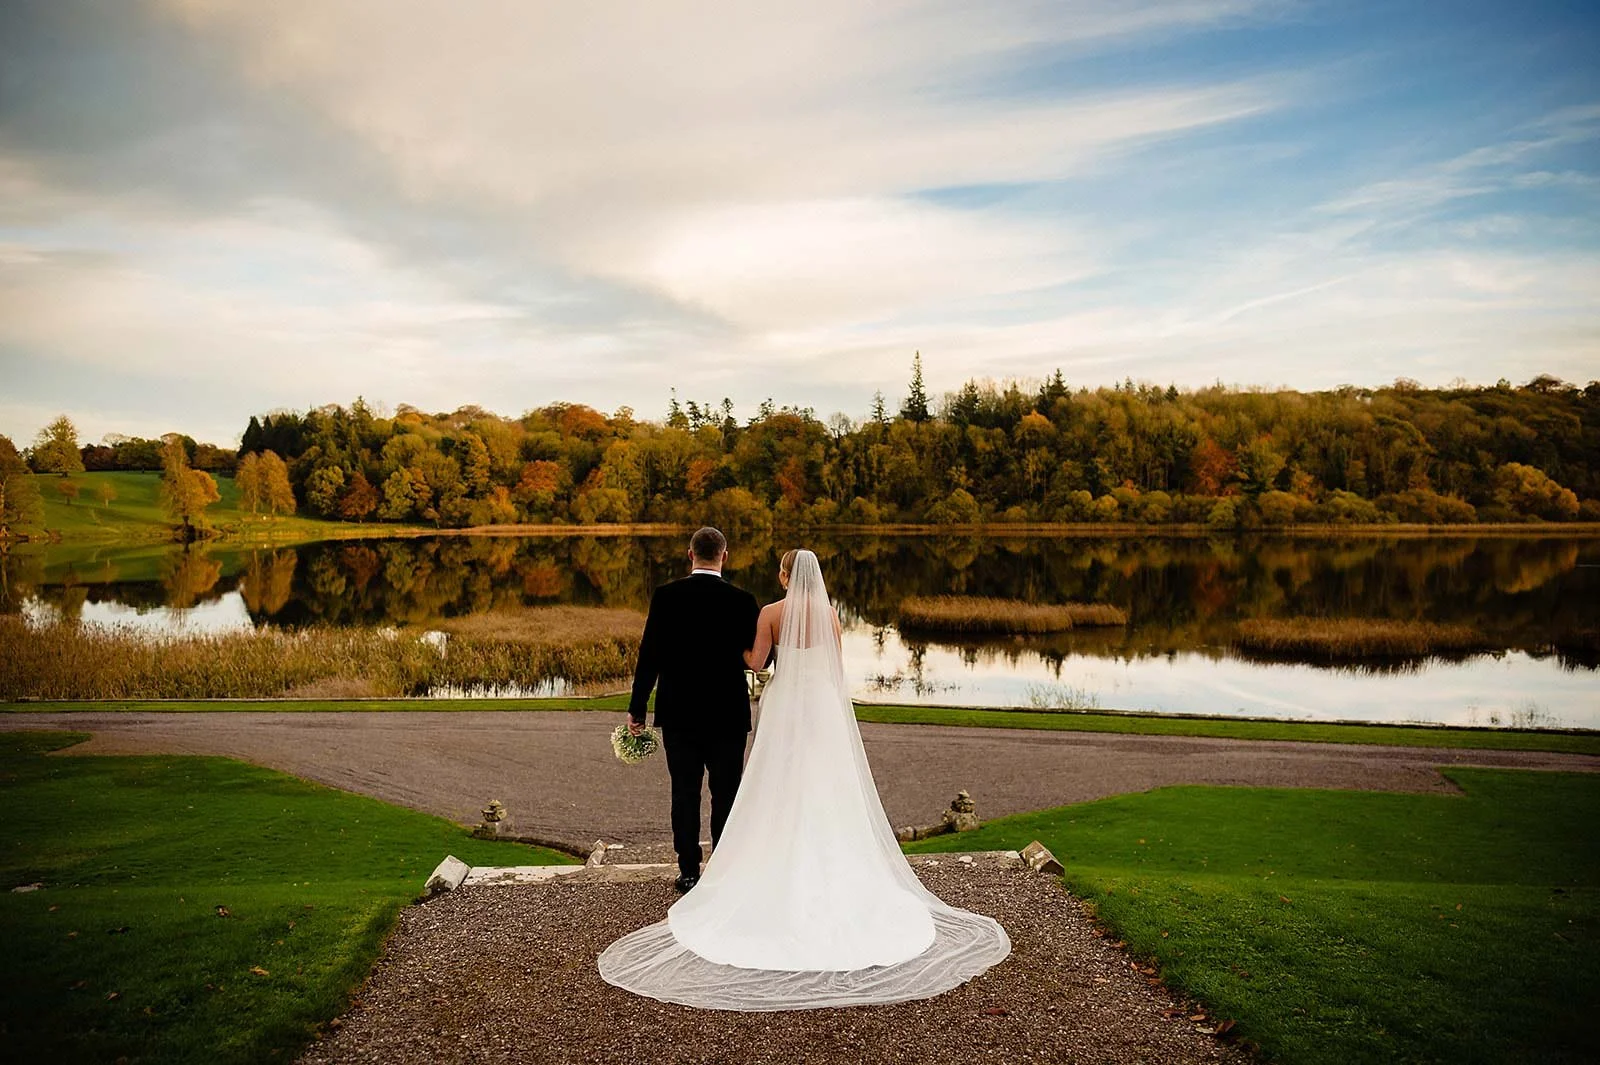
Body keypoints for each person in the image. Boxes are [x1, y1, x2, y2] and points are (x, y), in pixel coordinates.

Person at [600, 549, 1011, 1011]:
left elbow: (755, 664)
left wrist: (729, 650)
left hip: (782, 709)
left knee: (767, 784)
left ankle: (702, 868)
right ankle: (827, 858)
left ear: (785, 576)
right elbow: (834, 667)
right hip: (821, 708)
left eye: (779, 570)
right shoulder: (832, 615)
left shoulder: (771, 613)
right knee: (824, 787)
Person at [625, 526, 760, 894]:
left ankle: (688, 872)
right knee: (726, 793)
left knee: (684, 793)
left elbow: (648, 654)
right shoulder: (743, 601)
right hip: (727, 715)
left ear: (690, 554)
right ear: (724, 556)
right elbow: (757, 660)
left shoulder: (667, 597)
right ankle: (724, 867)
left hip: (680, 714)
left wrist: (638, 707)